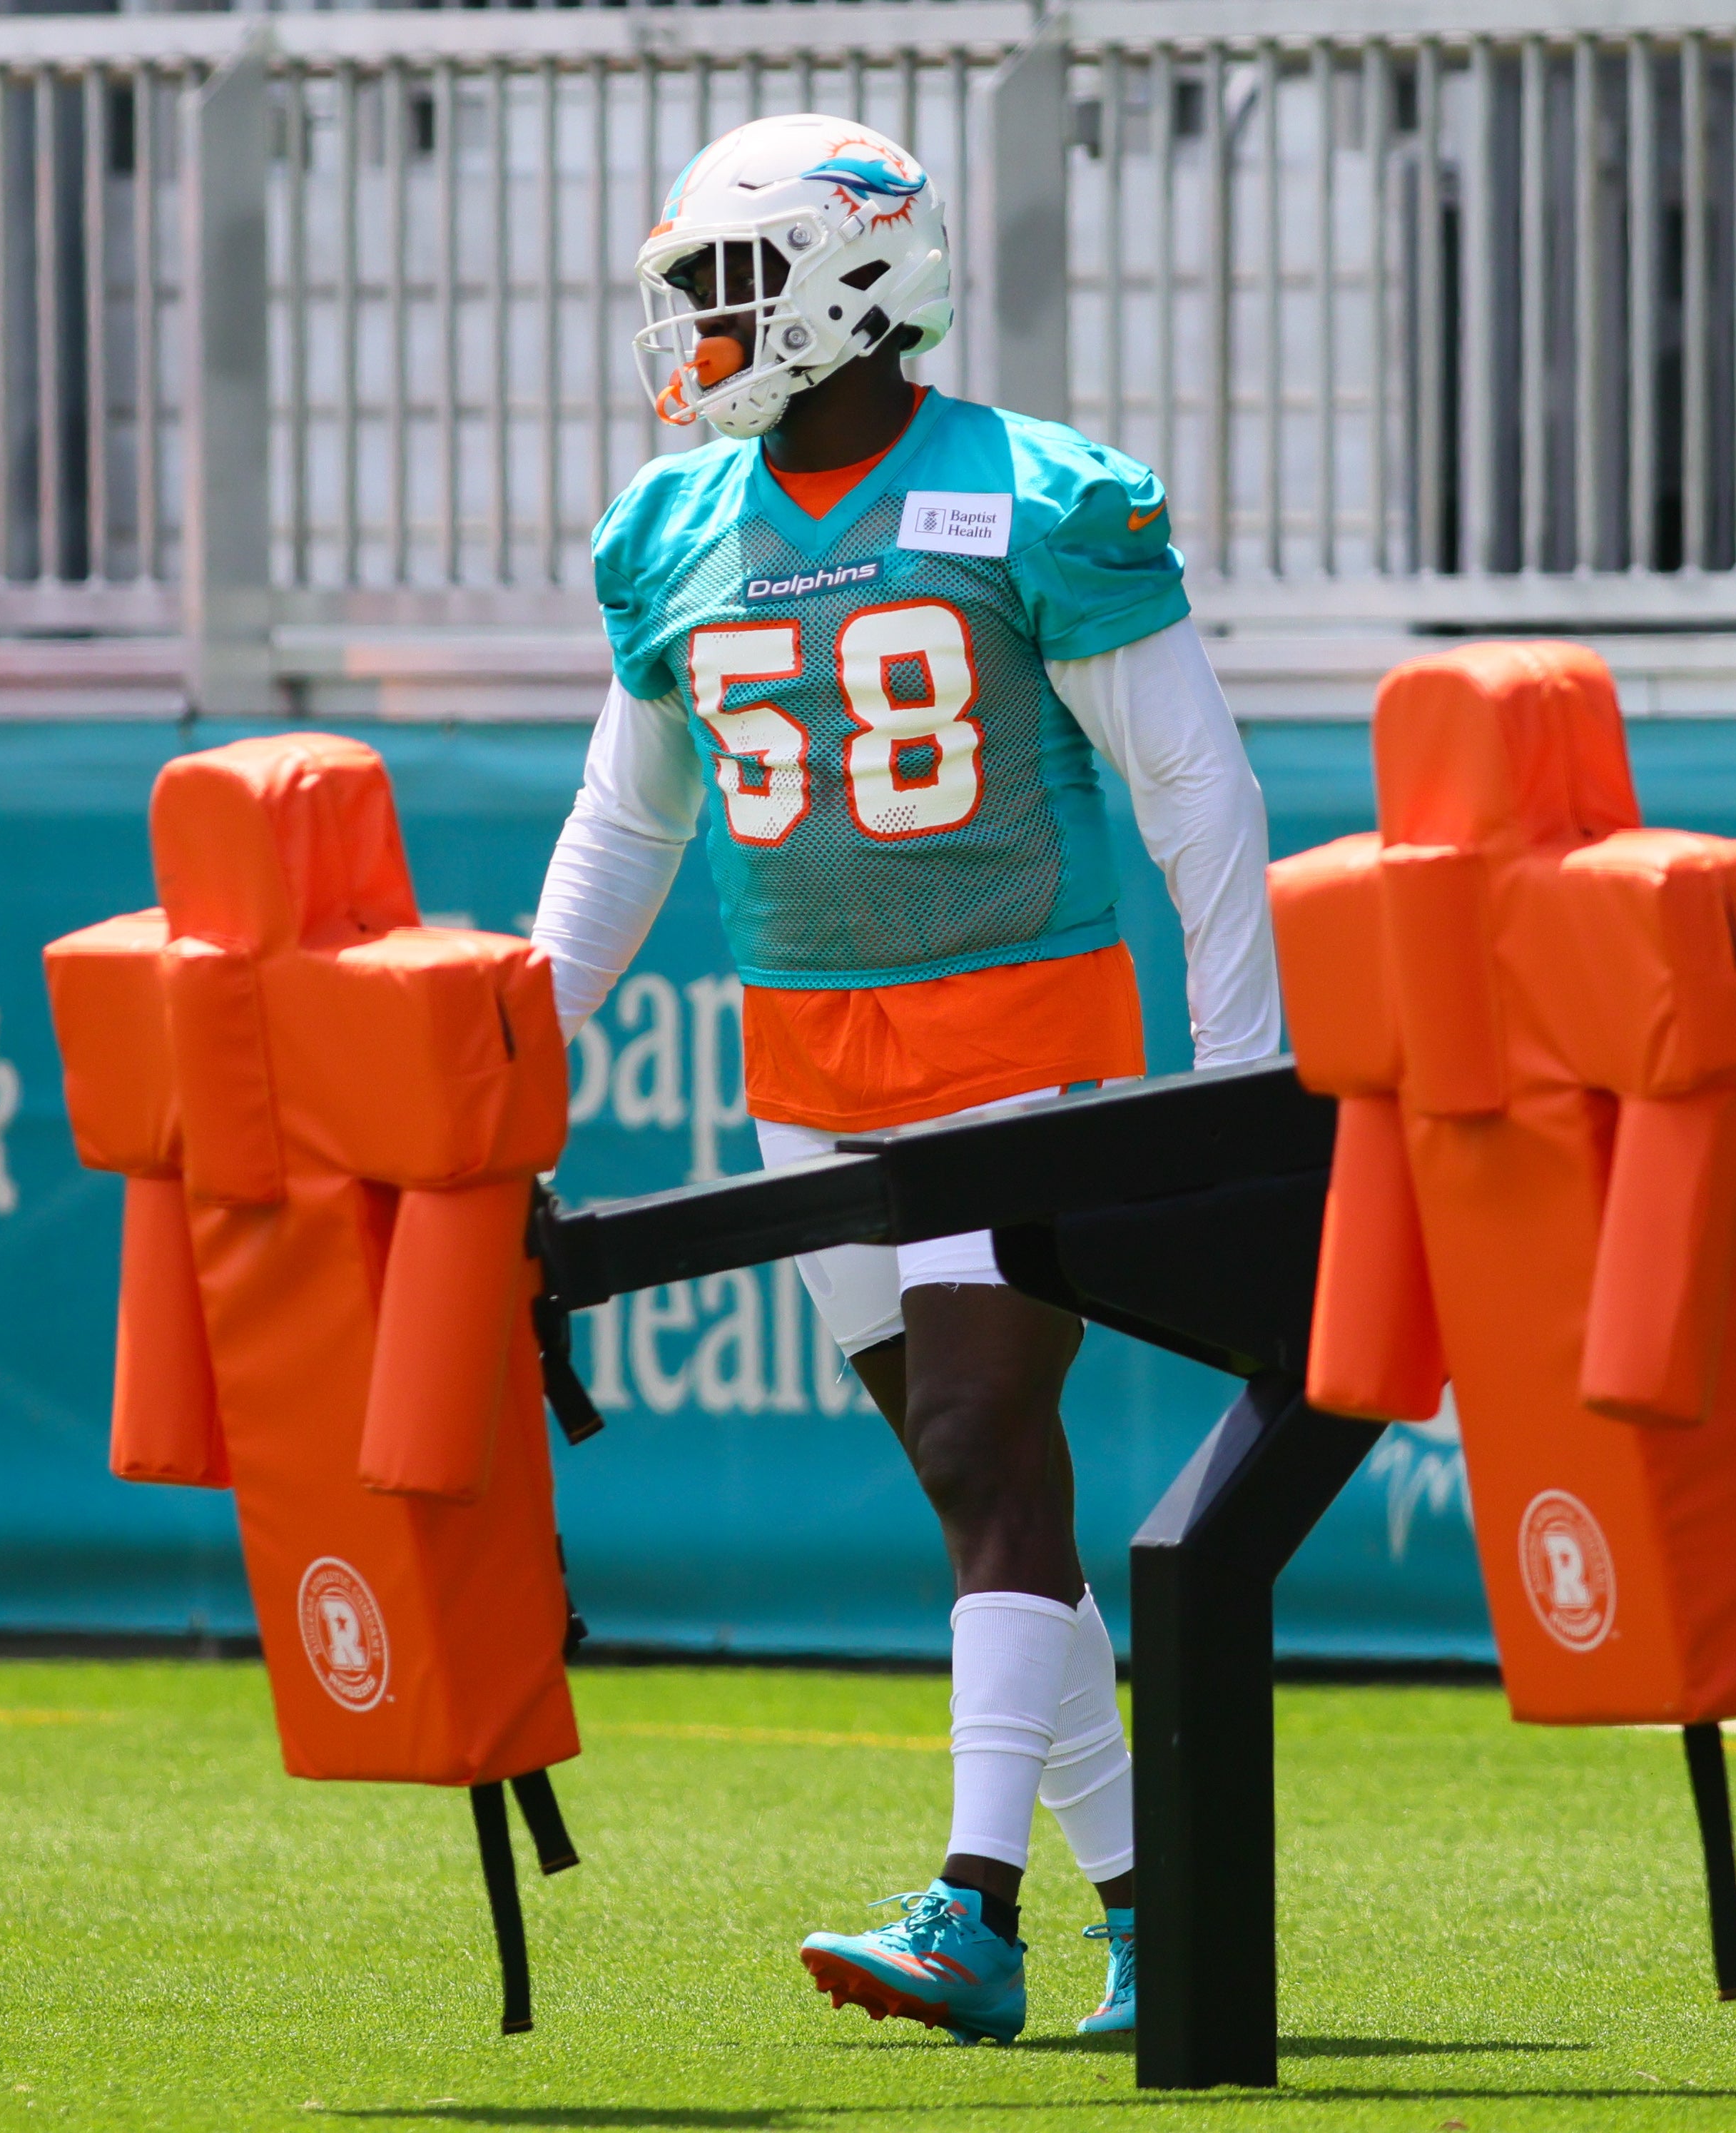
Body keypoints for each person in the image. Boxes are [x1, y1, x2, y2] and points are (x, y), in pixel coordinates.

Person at [529, 113, 1279, 2046]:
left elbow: (1190, 786)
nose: (692, 328)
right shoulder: (671, 527)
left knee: (969, 1444)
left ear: (844, 285)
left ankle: (974, 1911)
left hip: (1018, 1044)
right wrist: (511, 1060)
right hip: (809, 1060)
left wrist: (1244, 1073)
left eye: (722, 283)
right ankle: (1153, 1904)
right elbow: (627, 833)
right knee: (985, 1496)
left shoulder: (1038, 495)